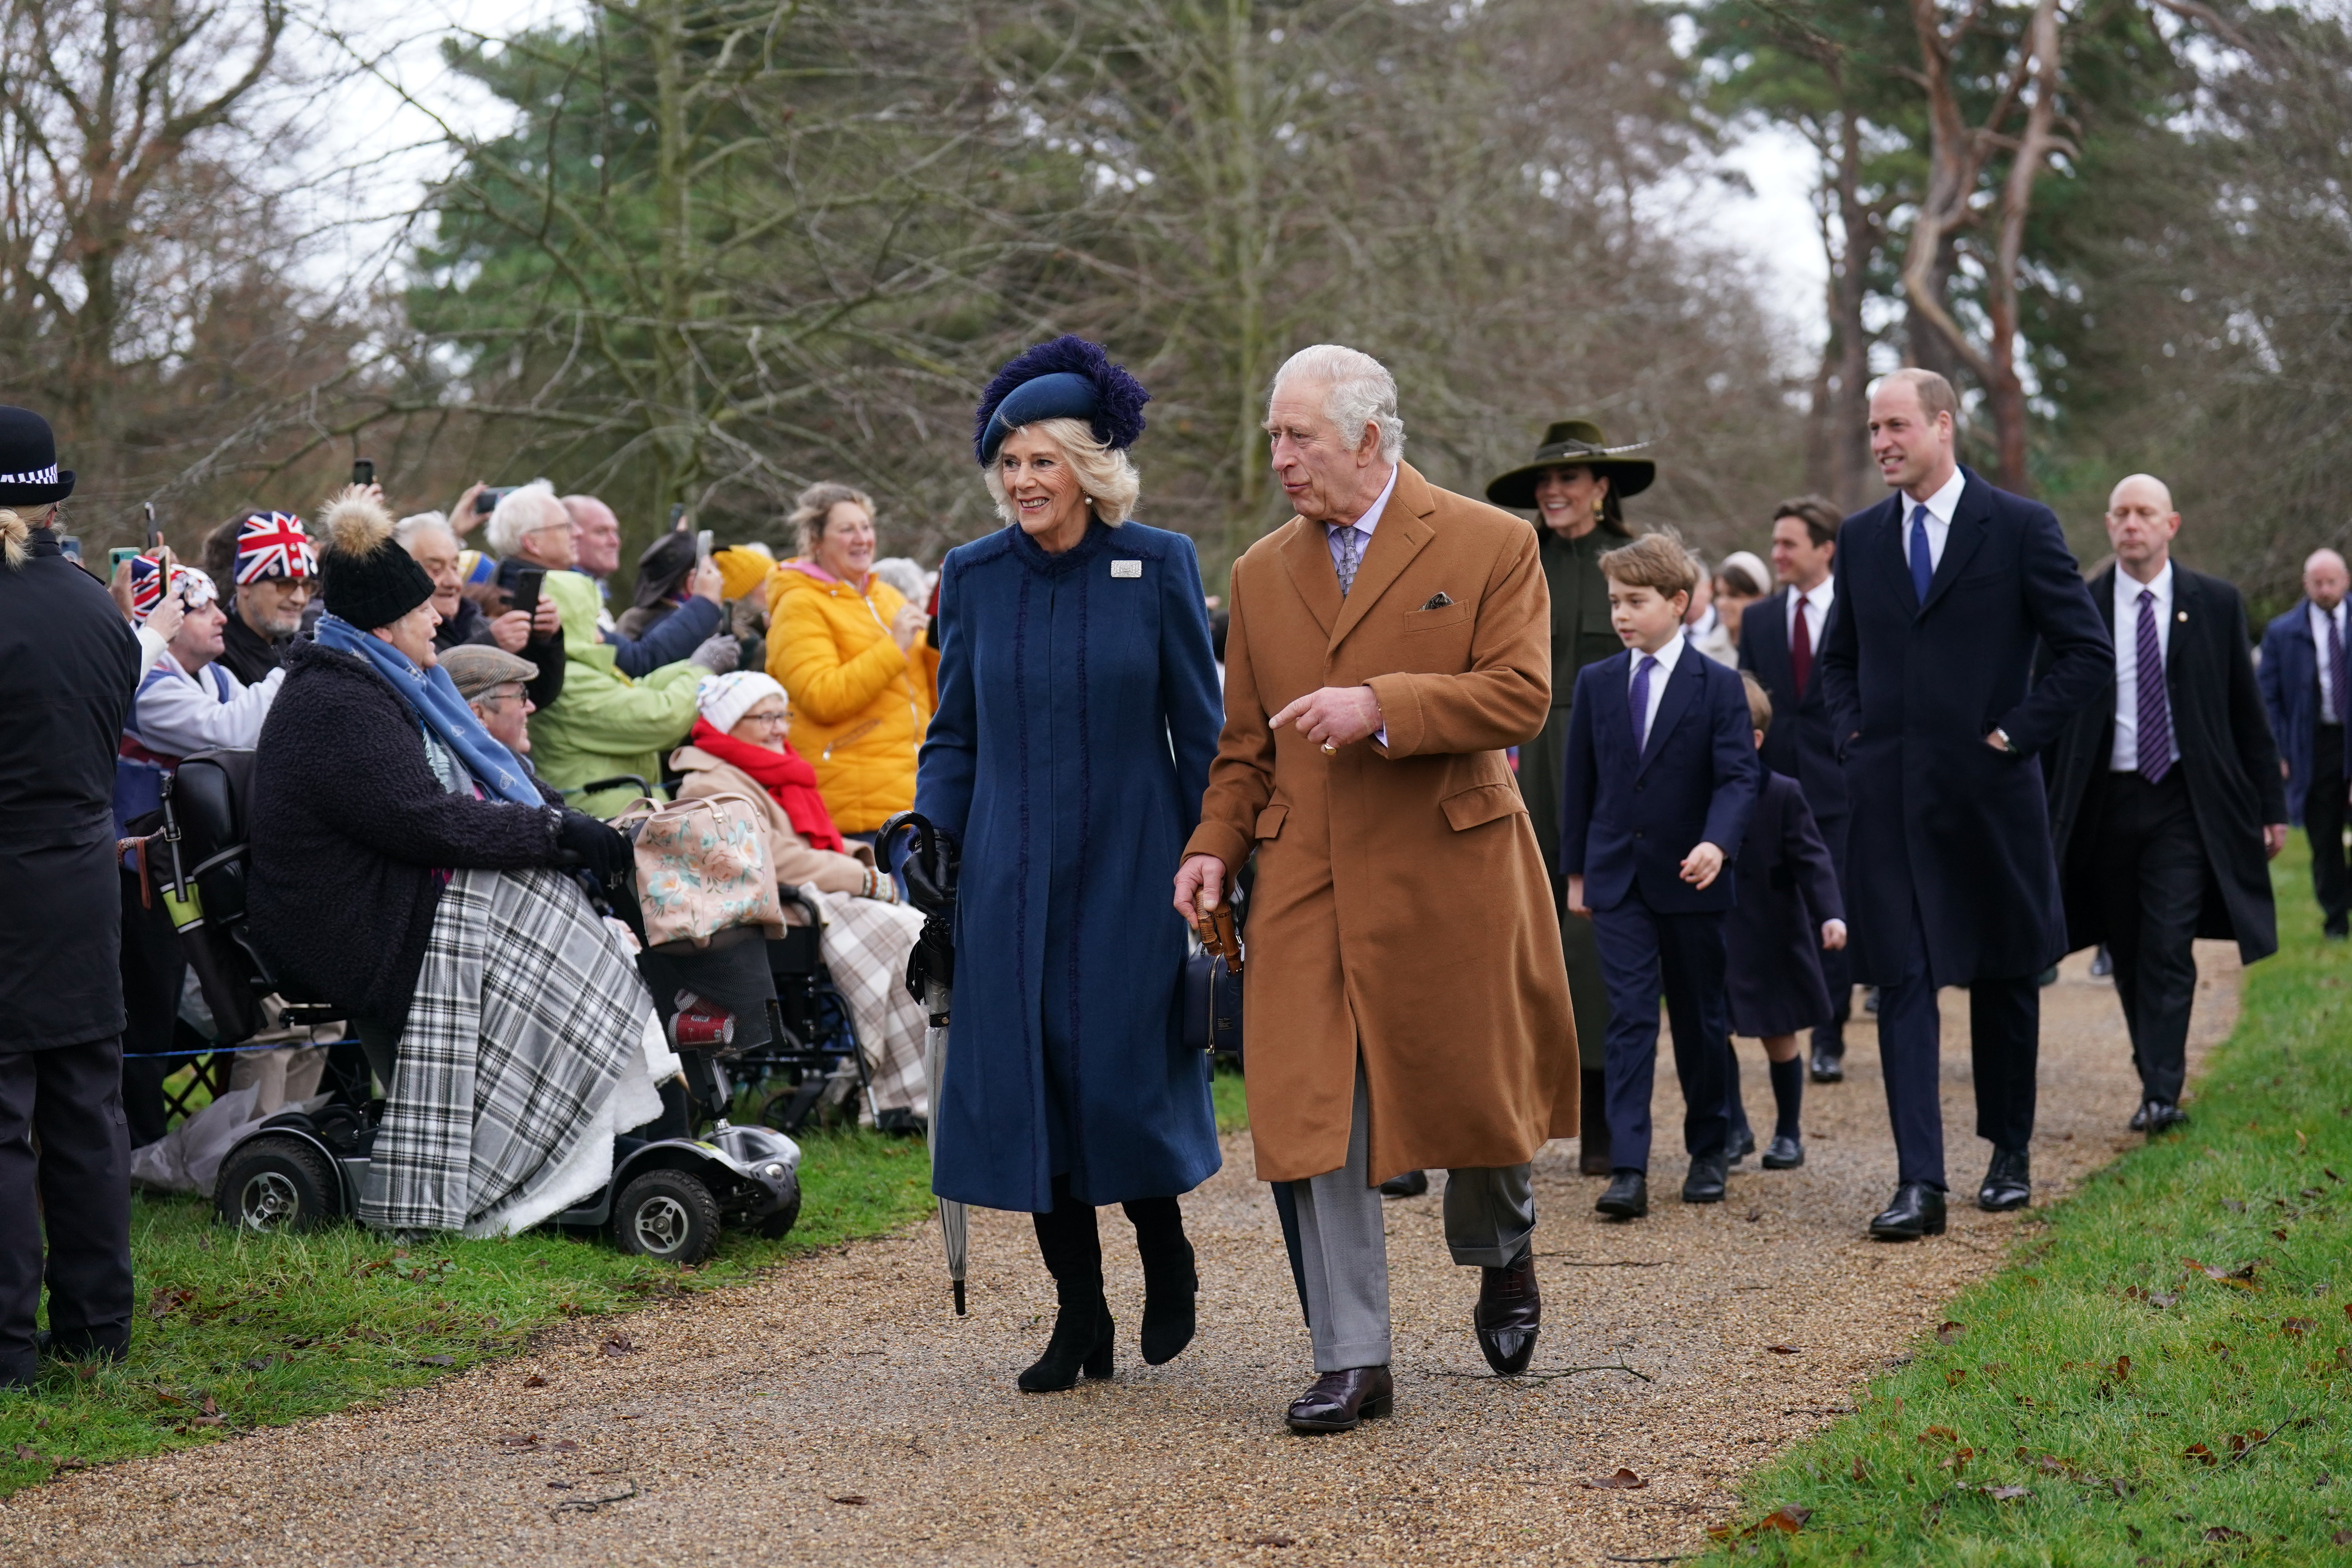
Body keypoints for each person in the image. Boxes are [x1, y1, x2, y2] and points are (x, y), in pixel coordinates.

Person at [1177, 344, 1575, 1433]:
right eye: (1273, 436)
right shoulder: (1260, 573)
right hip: (1306, 873)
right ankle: (1355, 1358)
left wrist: (1381, 705)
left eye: (1298, 436)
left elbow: (1520, 696)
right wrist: (1214, 845)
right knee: (1315, 1110)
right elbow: (1245, 746)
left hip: (1453, 868)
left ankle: (1503, 1248)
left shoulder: (1495, 542)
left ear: (1368, 436)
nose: (1281, 458)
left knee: (1481, 1109)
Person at [911, 336, 1221, 1392]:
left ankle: (1164, 1247)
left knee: (1119, 1073)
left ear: (1089, 469)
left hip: (1132, 867)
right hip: (1008, 871)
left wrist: (1215, 854)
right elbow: (954, 731)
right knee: (1034, 1078)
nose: (1022, 481)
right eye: (1008, 463)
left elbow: (1200, 727)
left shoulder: (1160, 564)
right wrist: (932, 833)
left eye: (1042, 462)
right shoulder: (975, 577)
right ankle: (1078, 1310)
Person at [248, 487, 668, 1235]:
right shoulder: (339, 702)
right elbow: (421, 821)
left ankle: (584, 1134)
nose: (440, 618)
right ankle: (534, 1156)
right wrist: (553, 837)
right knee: (547, 926)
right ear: (385, 622)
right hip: (349, 924)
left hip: (389, 900)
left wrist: (566, 824)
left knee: (556, 911)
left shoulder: (387, 681)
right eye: (423, 612)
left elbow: (486, 784)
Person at [1818, 368, 2111, 1240]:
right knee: (1903, 982)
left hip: (1991, 798)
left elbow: (2085, 654)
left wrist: (2014, 734)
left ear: (1944, 425)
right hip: (1891, 805)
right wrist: (1855, 739)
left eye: (1898, 425)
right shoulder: (1864, 538)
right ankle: (1920, 1181)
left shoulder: (2019, 527)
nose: (1882, 444)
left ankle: (2008, 1151)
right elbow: (1839, 660)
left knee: (2003, 976)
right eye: (1874, 429)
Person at [2043, 475, 2285, 1134]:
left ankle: (2162, 1089)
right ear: (2108, 523)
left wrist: (2272, 804)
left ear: (2170, 524)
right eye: (2120, 513)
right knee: (2125, 944)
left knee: (2170, 944)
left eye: (2144, 513)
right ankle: (2151, 1063)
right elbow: (2050, 705)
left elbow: (2245, 708)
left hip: (2183, 801)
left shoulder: (2215, 603)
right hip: (2105, 802)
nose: (2131, 525)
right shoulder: (2079, 606)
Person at [0, 405, 142, 1387]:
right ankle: (97, 1328)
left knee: (5, 1124)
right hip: (84, 876)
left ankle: (6, 1346)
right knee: (86, 1109)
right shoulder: (99, 608)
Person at [1559, 529, 1759, 1219]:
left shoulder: (1720, 686)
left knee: (1701, 1021)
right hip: (1618, 882)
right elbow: (1579, 784)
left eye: (1635, 601)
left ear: (1678, 603)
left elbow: (1739, 777)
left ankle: (1709, 1149)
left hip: (1694, 879)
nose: (1620, 614)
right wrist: (1577, 873)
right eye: (1615, 601)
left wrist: (1718, 844)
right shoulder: (1597, 682)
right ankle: (1628, 1167)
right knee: (1630, 1019)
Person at [1483, 419, 1650, 1176]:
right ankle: (1520, 1110)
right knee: (1521, 925)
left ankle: (1610, 1117)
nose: (1555, 493)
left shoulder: (1637, 564)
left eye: (1570, 481)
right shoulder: (1516, 560)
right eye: (1546, 484)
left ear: (1601, 488)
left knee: (1600, 922)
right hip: (1524, 756)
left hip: (1614, 751)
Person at [672, 671, 929, 1125]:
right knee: (907, 934)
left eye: (782, 715)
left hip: (803, 901)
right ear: (729, 724)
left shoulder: (769, 769)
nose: (780, 728)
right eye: (766, 717)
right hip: (773, 914)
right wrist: (860, 877)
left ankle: (908, 1087)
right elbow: (771, 858)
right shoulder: (708, 783)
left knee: (916, 936)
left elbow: (807, 843)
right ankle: (903, 1094)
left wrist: (859, 860)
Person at [113, 556, 285, 1147]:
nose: (220, 617)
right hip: (139, 878)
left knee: (207, 1004)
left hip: (188, 873)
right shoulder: (149, 688)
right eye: (201, 607)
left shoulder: (213, 678)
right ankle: (137, 1146)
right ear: (161, 619)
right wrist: (296, 668)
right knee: (147, 1015)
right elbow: (233, 733)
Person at [1740, 496, 1853, 1083]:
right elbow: (1748, 706)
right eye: (1776, 543)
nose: (1777, 554)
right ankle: (1786, 1020)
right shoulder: (1760, 620)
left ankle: (1830, 1035)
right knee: (1781, 912)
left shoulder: (1856, 611)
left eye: (1790, 544)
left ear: (1826, 549)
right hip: (1774, 792)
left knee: (1830, 906)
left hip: (1841, 787)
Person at [1720, 673, 1847, 1171]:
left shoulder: (1784, 793)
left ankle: (1789, 1131)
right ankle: (1733, 1125)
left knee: (1780, 1036)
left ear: (1754, 741)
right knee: (1716, 1030)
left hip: (1773, 932)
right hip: (1722, 930)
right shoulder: (1700, 792)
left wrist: (1831, 915)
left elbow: (1814, 862)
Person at [769, 482, 935, 837]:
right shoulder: (799, 605)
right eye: (847, 530)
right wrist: (894, 647)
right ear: (816, 540)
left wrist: (939, 646)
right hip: (855, 814)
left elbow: (929, 696)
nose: (862, 538)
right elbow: (822, 697)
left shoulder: (887, 596)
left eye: (866, 526)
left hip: (916, 797)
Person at [487, 483, 729, 679]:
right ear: (532, 543)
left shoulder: (545, 587)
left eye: (616, 531)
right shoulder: (553, 592)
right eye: (566, 526)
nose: (578, 533)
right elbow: (639, 664)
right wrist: (704, 603)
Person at [2257, 548, 2352, 940]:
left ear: (2346, 581)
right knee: (2325, 836)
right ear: (2306, 584)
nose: (2326, 590)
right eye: (2318, 583)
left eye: (2332, 582)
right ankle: (2335, 920)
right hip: (2312, 746)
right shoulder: (2283, 632)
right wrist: (2278, 751)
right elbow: (2268, 698)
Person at [399, 511, 565, 711]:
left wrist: (545, 641)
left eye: (455, 567)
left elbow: (535, 697)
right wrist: (490, 645)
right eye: (436, 570)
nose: (453, 582)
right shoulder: (399, 637)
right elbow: (424, 696)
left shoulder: (480, 624)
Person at [199, 510, 316, 686]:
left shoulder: (304, 641)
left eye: (307, 586)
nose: (299, 599)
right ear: (245, 585)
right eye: (284, 585)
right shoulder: (214, 653)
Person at [1694, 551, 1768, 666]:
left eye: (1733, 595)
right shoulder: (1704, 654)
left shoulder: (1779, 647)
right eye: (1719, 595)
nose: (1722, 604)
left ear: (1760, 598)